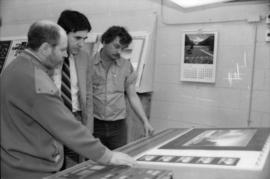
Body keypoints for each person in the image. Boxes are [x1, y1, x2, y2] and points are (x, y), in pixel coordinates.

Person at [0, 20, 136, 179]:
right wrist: (107, 155)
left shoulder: (15, 66)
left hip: (11, 161)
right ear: (44, 48)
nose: (65, 55)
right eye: (62, 50)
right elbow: (65, 125)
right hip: (30, 169)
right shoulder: (36, 80)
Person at [92, 26, 154, 150]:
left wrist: (145, 121)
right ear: (104, 41)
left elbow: (132, 95)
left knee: (120, 160)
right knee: (94, 162)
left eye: (123, 48)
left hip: (118, 126)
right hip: (94, 124)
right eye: (116, 46)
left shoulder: (126, 66)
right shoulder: (89, 64)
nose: (119, 52)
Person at [55, 9, 95, 168]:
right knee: (56, 164)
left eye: (84, 39)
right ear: (62, 35)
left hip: (76, 118)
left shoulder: (84, 56)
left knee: (76, 166)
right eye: (77, 38)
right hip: (53, 118)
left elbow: (89, 94)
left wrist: (89, 128)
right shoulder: (48, 57)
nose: (82, 43)